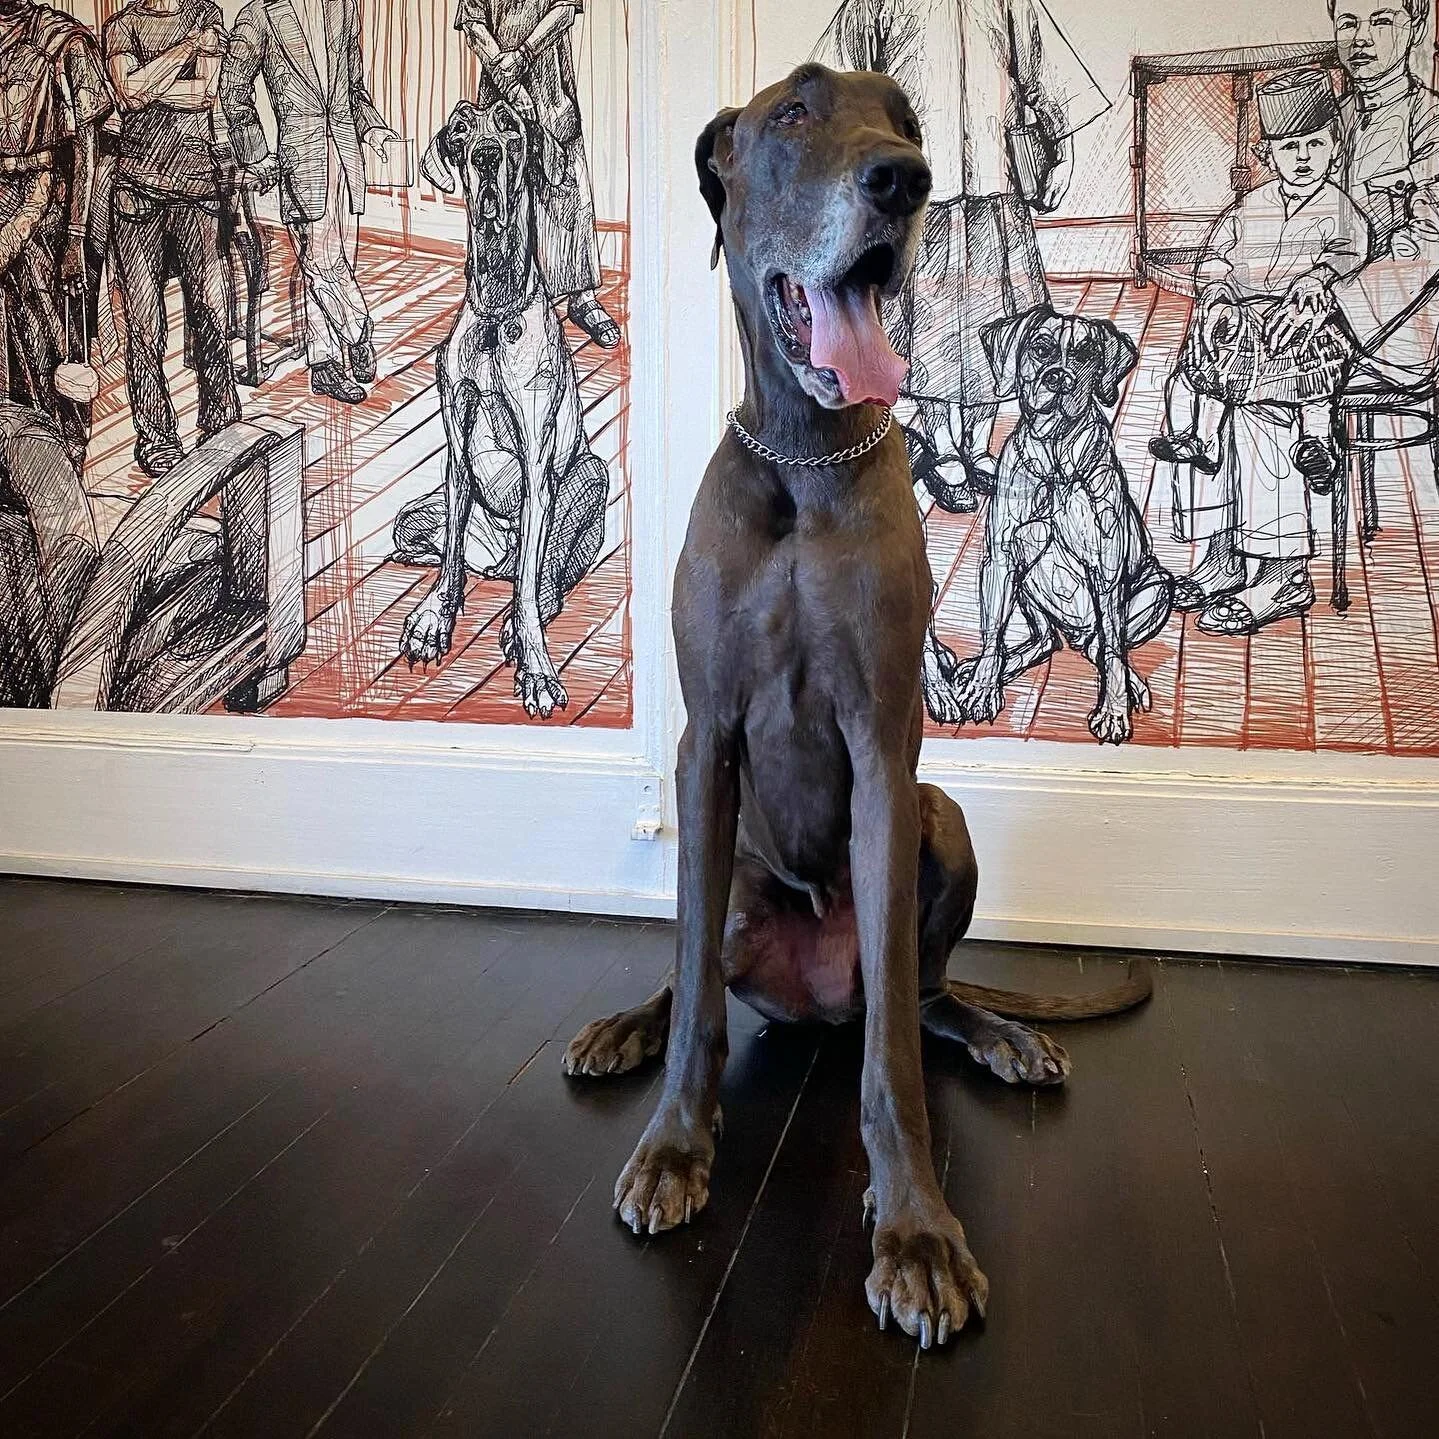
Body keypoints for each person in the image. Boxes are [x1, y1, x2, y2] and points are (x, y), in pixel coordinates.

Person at [1174, 0, 1439, 634]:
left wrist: (1332, 291)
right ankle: (1220, 549)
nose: (1363, 39)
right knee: (1205, 370)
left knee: (1266, 390)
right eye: (1349, 21)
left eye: (1381, 19)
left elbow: (1425, 245)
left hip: (1399, 313)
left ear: (1418, 24)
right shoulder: (1328, 110)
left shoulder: (1429, 120)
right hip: (1308, 305)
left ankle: (1279, 568)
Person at [815, 0, 1107, 510]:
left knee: (998, 330)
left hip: (997, 193)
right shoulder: (873, 5)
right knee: (931, 340)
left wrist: (1059, 158)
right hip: (918, 201)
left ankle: (977, 445)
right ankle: (946, 448)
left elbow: (1049, 84)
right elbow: (833, 93)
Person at [1152, 72, 1368, 499]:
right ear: (1268, 155)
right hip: (1245, 314)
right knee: (1207, 360)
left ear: (1335, 149)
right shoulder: (1251, 204)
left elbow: (1350, 249)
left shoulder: (1340, 206)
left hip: (1304, 317)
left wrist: (1316, 277)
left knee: (1315, 379)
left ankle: (1316, 447)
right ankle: (1201, 441)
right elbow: (1215, 256)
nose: (1303, 157)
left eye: (1316, 144)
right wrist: (1216, 293)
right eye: (1290, 147)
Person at [220, 0, 398, 403]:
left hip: (346, 153)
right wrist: (256, 153)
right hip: (300, 159)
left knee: (336, 261)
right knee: (320, 262)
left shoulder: (343, 6)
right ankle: (358, 328)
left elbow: (354, 90)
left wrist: (373, 131)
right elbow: (232, 91)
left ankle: (325, 365)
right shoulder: (261, 14)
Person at [104, 0, 240, 477]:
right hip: (134, 191)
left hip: (196, 187)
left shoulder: (207, 13)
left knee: (211, 307)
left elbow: (203, 93)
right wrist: (184, 49)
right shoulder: (122, 24)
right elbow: (128, 91)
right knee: (143, 322)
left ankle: (219, 419)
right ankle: (156, 436)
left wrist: (148, 82)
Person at [454, 0, 620, 349]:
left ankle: (581, 298)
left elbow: (565, 10)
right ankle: (499, 300)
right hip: (499, 93)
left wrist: (524, 55)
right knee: (500, 198)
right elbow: (472, 22)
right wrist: (503, 70)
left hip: (550, 89)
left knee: (566, 190)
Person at [0, 0, 111, 470]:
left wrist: (76, 235)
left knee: (46, 344)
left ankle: (58, 468)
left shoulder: (64, 40)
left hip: (44, 209)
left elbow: (88, 148)